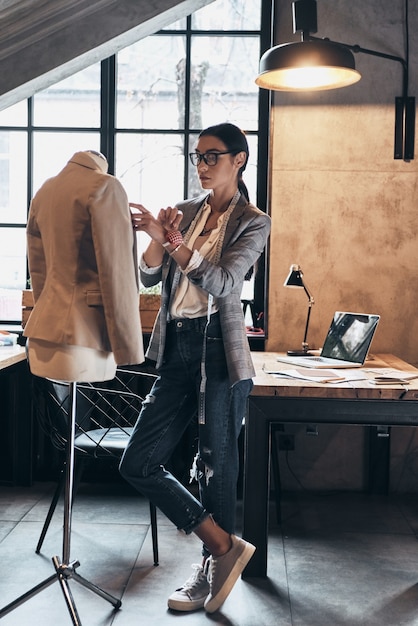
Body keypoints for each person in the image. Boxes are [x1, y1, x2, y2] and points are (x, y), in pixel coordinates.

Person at [119, 123, 271, 613]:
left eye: (212, 157)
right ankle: (224, 546)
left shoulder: (254, 221)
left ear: (239, 159)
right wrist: (156, 236)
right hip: (177, 347)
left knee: (215, 468)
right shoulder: (183, 212)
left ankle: (210, 568)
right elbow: (148, 273)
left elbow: (225, 282)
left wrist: (175, 241)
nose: (202, 166)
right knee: (138, 460)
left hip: (220, 355)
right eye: (197, 157)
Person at [25, 150, 144, 382]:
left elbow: (37, 267)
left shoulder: (45, 190)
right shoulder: (105, 186)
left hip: (43, 331)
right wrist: (128, 344)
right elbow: (116, 272)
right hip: (86, 336)